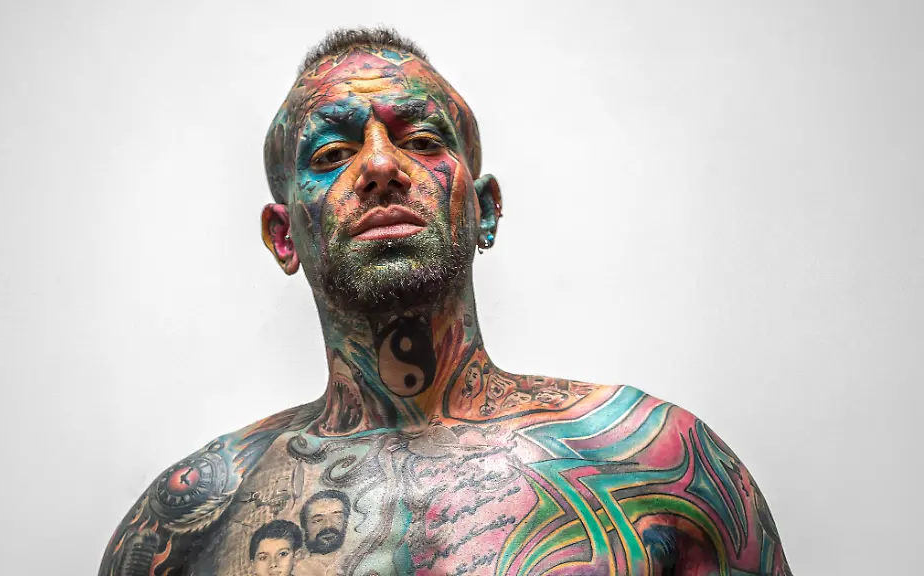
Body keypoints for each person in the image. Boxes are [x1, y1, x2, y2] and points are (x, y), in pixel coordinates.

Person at [98, 27, 792, 576]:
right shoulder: (189, 523)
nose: (379, 166)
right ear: (285, 237)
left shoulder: (657, 466)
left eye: (423, 141)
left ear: (484, 210)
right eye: (331, 154)